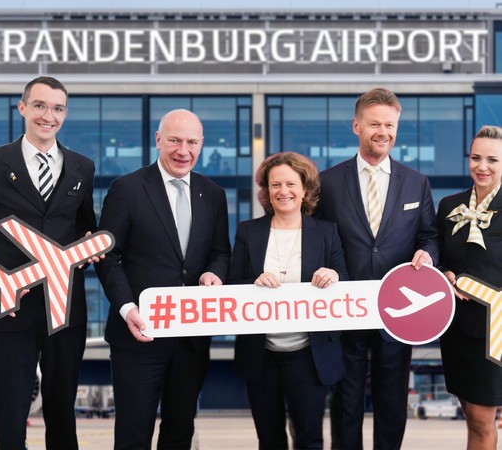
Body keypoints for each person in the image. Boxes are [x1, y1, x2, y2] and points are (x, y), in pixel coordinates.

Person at [0, 76, 96, 450]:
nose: (49, 116)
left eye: (58, 108)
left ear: (65, 114)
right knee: (10, 416)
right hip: (10, 309)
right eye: (40, 106)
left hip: (65, 310)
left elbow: (87, 229)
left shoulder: (83, 167)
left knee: (63, 415)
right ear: (23, 108)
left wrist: (88, 247)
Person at [95, 109, 231, 450]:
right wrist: (127, 308)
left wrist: (215, 272)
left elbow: (220, 252)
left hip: (190, 338)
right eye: (174, 140)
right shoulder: (126, 189)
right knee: (133, 433)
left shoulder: (213, 194)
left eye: (191, 142)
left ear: (201, 145)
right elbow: (108, 256)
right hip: (138, 335)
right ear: (158, 140)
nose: (183, 150)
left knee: (179, 431)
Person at [317, 87, 437, 450]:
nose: (382, 131)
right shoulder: (328, 182)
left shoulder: (417, 182)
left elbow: (429, 235)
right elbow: (315, 240)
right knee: (346, 402)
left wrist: (428, 255)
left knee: (392, 403)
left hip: (396, 312)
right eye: (374, 124)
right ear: (356, 126)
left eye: (389, 124)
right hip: (344, 312)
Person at [231, 152, 347, 449]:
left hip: (308, 355)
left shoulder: (326, 233)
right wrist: (253, 283)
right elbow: (232, 285)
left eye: (291, 184)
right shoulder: (248, 231)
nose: (283, 191)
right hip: (261, 355)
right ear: (266, 191)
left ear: (305, 189)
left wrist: (331, 275)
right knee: (269, 439)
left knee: (309, 439)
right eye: (275, 185)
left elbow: (345, 283)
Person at [437, 125, 502, 450]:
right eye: (476, 157)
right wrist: (443, 274)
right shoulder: (449, 205)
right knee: (475, 419)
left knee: (483, 421)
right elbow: (437, 256)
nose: (482, 166)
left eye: (492, 159)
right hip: (460, 331)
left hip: (498, 328)